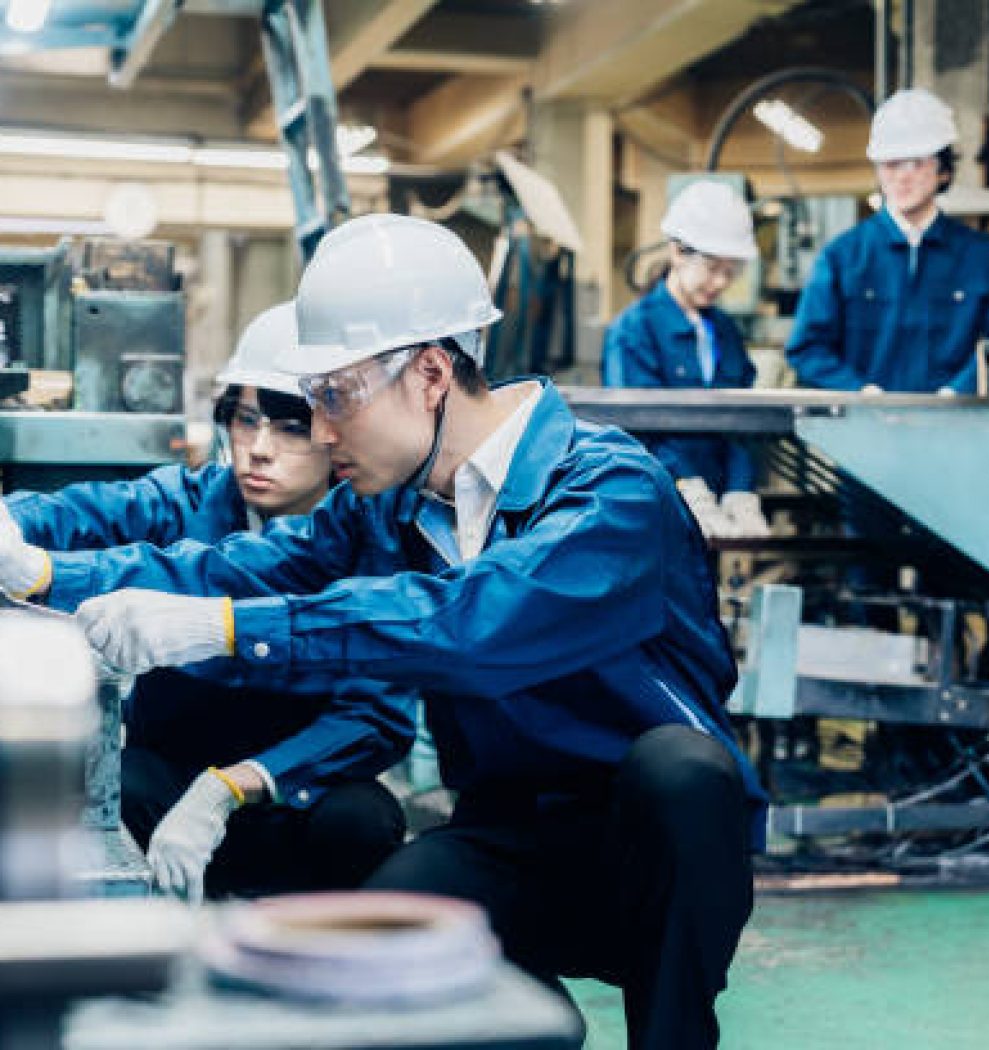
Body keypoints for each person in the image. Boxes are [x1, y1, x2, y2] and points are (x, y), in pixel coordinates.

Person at [13, 215, 766, 1048]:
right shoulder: (392, 504)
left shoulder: (611, 493)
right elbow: (244, 565)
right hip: (510, 831)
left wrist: (222, 630)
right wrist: (43, 572)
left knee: (681, 770)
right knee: (393, 936)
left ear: (432, 372)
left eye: (334, 396)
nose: (322, 431)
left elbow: (471, 625)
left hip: (652, 853)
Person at [0, 301, 410, 904]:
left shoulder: (370, 537)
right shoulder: (185, 502)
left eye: (289, 426)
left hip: (296, 786)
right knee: (120, 794)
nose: (258, 448)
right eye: (245, 421)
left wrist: (228, 789)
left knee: (364, 820)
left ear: (333, 432)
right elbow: (82, 513)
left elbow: (376, 717)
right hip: (168, 778)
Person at [787, 87, 989, 394]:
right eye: (890, 163)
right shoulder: (843, 256)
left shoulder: (982, 257)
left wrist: (958, 393)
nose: (902, 176)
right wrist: (860, 392)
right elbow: (806, 349)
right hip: (863, 432)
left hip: (957, 430)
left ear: (943, 170)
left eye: (916, 162)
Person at [603, 179, 769, 540]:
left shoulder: (725, 330)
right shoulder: (635, 330)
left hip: (722, 505)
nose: (722, 282)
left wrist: (741, 489)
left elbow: (744, 418)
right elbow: (640, 426)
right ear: (678, 251)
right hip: (660, 500)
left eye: (732, 271)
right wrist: (685, 484)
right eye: (712, 268)